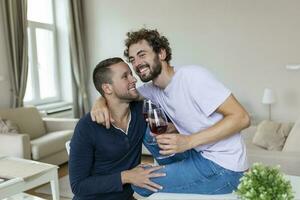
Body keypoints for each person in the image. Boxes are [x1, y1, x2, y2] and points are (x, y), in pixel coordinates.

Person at [91, 28, 251, 196]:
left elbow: (241, 118)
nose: (137, 63)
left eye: (142, 55)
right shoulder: (153, 89)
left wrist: (188, 141)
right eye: (132, 59)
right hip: (197, 155)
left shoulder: (192, 76)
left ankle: (170, 174)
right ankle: (171, 172)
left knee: (140, 184)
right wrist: (100, 101)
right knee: (145, 125)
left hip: (224, 168)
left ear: (161, 53)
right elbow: (123, 95)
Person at [69, 57, 166, 200]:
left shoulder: (141, 111)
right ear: (107, 88)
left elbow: (168, 120)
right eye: (125, 76)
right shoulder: (87, 126)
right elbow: (78, 186)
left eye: (131, 74)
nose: (134, 79)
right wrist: (126, 176)